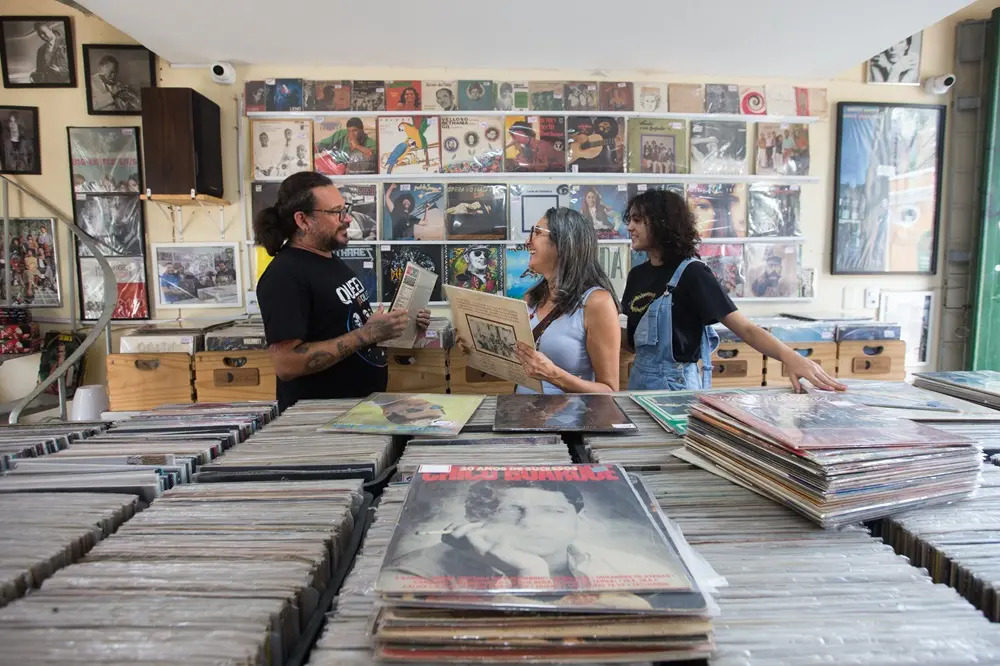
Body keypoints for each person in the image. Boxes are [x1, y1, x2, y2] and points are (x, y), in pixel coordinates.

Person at [622, 189, 844, 393]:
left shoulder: (693, 274)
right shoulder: (637, 276)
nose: (630, 227)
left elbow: (745, 328)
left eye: (638, 220)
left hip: (675, 387)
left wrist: (790, 357)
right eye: (629, 220)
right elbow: (632, 344)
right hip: (639, 382)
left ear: (663, 223)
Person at [253, 171, 431, 411]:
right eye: (337, 212)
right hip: (320, 422)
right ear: (303, 220)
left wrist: (401, 326)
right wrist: (368, 334)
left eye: (344, 209)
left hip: (357, 411)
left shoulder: (330, 261)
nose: (347, 219)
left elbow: (347, 327)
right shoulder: (285, 275)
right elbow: (286, 364)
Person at [382, 479, 679, 588]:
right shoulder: (412, 574)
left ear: (579, 518)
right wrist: (529, 571)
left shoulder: (636, 568)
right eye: (512, 511)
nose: (533, 523)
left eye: (553, 511)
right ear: (477, 518)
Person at [458, 207, 620, 394]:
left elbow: (609, 391)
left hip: (570, 420)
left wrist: (553, 375)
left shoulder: (597, 302)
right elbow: (516, 368)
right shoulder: (531, 298)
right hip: (523, 415)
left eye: (536, 232)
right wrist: (476, 350)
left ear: (564, 242)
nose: (527, 242)